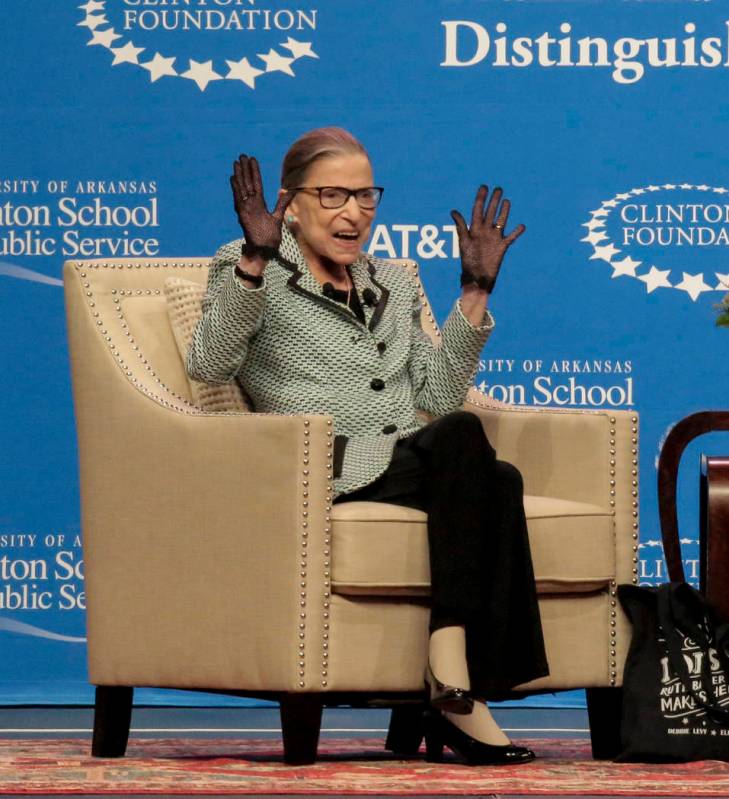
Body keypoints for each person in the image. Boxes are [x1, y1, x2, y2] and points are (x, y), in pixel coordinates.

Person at [186, 127, 548, 766]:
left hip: (403, 459)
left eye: (366, 196)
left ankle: (451, 679)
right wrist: (252, 262)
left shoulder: (394, 281)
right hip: (323, 466)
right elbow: (210, 364)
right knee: (481, 458)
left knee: (497, 477)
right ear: (290, 203)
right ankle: (457, 690)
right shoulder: (250, 265)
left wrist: (474, 292)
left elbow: (436, 394)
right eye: (332, 195)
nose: (354, 213)